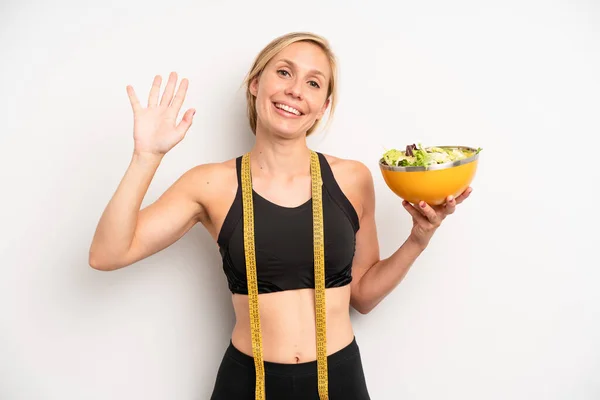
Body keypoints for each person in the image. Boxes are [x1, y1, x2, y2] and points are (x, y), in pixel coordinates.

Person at [88, 32, 472, 400]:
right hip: (246, 384)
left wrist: (419, 239)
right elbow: (107, 254)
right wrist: (146, 158)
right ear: (255, 83)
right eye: (284, 72)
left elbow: (364, 295)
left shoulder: (352, 179)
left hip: (339, 382)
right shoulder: (209, 184)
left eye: (314, 83)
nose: (295, 90)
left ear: (323, 106)